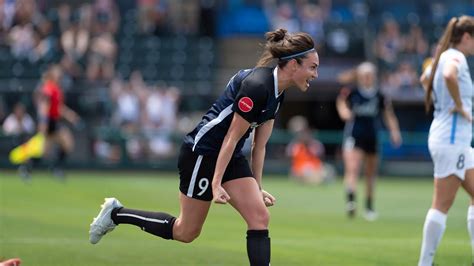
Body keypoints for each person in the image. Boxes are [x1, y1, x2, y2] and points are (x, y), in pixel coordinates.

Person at [89, 28, 319, 266]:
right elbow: (230, 136)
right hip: (202, 152)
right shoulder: (257, 86)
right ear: (293, 65)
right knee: (186, 232)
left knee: (260, 217)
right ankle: (116, 213)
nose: (315, 74)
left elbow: (258, 147)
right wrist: (216, 183)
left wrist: (257, 187)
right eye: (312, 67)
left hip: (228, 155)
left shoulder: (277, 93)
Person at [417, 16, 474, 266]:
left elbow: (423, 79)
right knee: (441, 204)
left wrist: (444, 103)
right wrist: (460, 106)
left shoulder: (441, 56)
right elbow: (450, 76)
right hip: (451, 140)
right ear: (466, 37)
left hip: (451, 139)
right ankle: (425, 263)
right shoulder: (456, 57)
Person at [336, 61, 402, 221]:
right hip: (354, 135)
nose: (366, 78)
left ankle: (369, 206)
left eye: (369, 75)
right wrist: (344, 112)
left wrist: (395, 132)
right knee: (353, 168)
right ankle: (351, 200)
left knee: (370, 173)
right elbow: (341, 101)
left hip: (372, 136)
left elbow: (388, 114)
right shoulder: (352, 92)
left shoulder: (380, 95)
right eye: (364, 75)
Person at [28, 64, 80, 179]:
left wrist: (71, 116)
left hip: (54, 121)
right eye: (57, 72)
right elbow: (44, 107)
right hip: (49, 122)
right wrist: (43, 123)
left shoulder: (56, 88)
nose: (60, 74)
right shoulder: (48, 88)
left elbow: (59, 107)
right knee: (45, 151)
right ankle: (29, 168)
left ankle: (52, 168)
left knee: (65, 144)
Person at [286, 115, 334, 185]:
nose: (303, 135)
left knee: (328, 170)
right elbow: (290, 162)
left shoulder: (316, 145)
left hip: (316, 170)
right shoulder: (293, 146)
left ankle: (316, 180)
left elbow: (321, 160)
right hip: (300, 172)